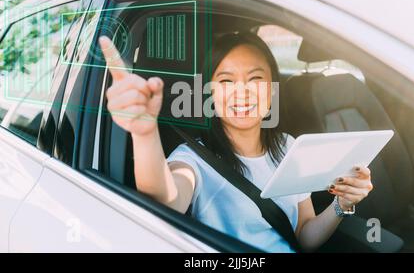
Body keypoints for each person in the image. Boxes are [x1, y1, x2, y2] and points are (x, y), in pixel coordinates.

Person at [99, 32, 373, 252]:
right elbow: (166, 198)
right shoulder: (192, 160)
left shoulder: (288, 146)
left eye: (255, 79)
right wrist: (145, 133)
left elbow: (303, 235)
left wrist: (343, 204)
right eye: (226, 81)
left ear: (272, 89)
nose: (242, 92)